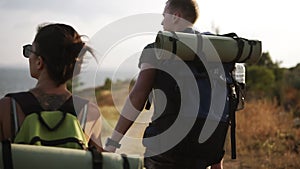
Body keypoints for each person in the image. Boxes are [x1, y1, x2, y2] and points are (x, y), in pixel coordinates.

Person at [104, 0, 229, 168]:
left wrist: (113, 143)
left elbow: (138, 96)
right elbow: (218, 105)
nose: (162, 22)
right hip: (204, 149)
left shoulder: (157, 48)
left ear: (176, 16)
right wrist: (216, 162)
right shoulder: (213, 50)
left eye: (164, 16)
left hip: (165, 149)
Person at [0, 23, 103, 152]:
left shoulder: (7, 108)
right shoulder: (90, 113)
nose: (29, 57)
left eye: (30, 50)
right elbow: (99, 162)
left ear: (39, 62)